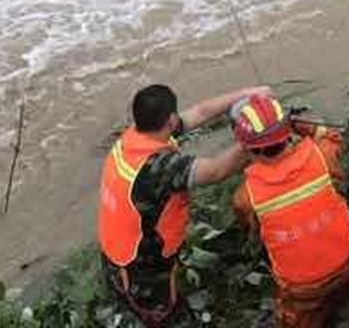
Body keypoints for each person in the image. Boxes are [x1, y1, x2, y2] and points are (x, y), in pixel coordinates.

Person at [98, 83, 268, 327]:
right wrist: (266, 134)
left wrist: (247, 94)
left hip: (119, 250)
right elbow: (217, 170)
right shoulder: (158, 169)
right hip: (139, 272)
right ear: (169, 120)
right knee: (170, 318)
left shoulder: (135, 136)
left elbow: (199, 112)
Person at [230, 94, 349, 328]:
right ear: (288, 132)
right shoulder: (321, 154)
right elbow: (332, 136)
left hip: (305, 291)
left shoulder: (245, 196)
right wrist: (308, 127)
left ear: (245, 147)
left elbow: (249, 228)